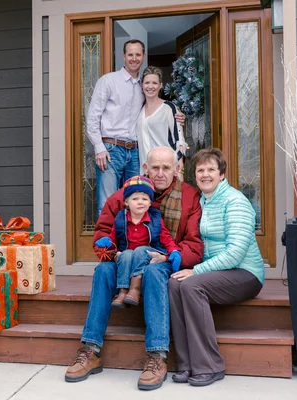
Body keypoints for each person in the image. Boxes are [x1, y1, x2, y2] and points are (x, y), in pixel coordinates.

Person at [65, 146, 203, 391]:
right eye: (155, 167)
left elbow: (193, 242)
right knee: (104, 271)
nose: (160, 173)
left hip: (165, 262)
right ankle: (90, 349)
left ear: (177, 169)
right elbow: (101, 234)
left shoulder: (189, 196)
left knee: (153, 271)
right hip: (126, 259)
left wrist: (171, 258)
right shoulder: (126, 194)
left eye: (166, 168)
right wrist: (113, 254)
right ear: (145, 168)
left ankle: (157, 355)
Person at [168, 148, 264, 387]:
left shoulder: (235, 201)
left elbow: (235, 253)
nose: (205, 174)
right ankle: (186, 363)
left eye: (211, 169)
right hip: (216, 272)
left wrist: (197, 271)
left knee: (190, 285)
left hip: (245, 273)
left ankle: (210, 365)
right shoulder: (203, 201)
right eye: (200, 170)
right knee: (174, 282)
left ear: (222, 174)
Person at [86, 40, 185, 215]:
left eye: (138, 55)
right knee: (108, 204)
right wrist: (99, 147)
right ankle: (106, 243)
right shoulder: (109, 81)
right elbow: (93, 116)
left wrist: (177, 115)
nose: (134, 58)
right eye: (130, 54)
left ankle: (130, 243)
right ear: (124, 56)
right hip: (110, 150)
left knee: (136, 204)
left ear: (143, 57)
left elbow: (157, 109)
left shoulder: (144, 85)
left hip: (135, 154)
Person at [94, 176, 182, 308]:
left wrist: (173, 250)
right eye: (135, 199)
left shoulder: (155, 219)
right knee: (127, 253)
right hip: (128, 256)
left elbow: (165, 237)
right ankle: (123, 291)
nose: (140, 202)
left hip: (148, 254)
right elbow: (113, 235)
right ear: (126, 202)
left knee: (140, 250)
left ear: (150, 203)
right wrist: (107, 241)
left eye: (145, 199)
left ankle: (135, 288)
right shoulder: (121, 219)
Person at [136, 66, 187, 169]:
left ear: (161, 85)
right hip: (146, 171)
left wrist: (179, 168)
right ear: (142, 85)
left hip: (165, 169)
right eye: (147, 83)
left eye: (154, 83)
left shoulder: (169, 108)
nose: (150, 86)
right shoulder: (139, 110)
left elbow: (179, 141)